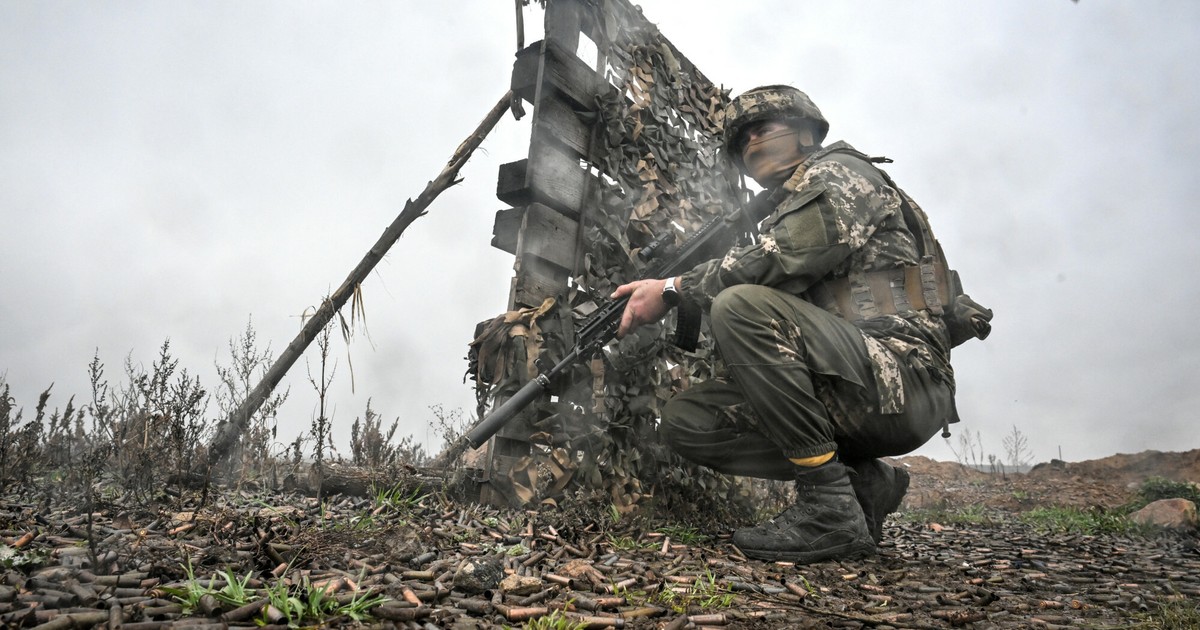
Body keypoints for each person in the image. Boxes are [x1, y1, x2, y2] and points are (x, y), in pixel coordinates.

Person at [611, 85, 961, 564]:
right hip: (854, 382)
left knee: (738, 304)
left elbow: (784, 258)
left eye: (763, 128)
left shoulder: (840, 172)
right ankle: (863, 484)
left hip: (905, 379)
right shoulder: (788, 205)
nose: (752, 143)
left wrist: (672, 289)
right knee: (688, 423)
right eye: (741, 142)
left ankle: (828, 510)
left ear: (805, 131)